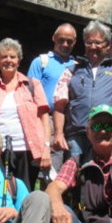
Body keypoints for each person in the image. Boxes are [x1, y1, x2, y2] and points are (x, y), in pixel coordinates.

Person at [0, 38, 50, 191]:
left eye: (12, 56)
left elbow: (44, 118)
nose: (8, 60)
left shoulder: (33, 85)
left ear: (19, 60)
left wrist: (46, 148)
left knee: (24, 192)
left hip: (26, 151)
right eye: (3, 57)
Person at [52, 21, 112, 160]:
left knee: (106, 176)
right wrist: (59, 134)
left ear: (107, 46)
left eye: (98, 42)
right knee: (75, 177)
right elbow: (59, 105)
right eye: (89, 43)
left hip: (106, 133)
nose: (93, 47)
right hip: (77, 136)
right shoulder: (71, 71)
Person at [27, 23, 77, 175]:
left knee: (67, 170)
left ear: (75, 42)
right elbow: (29, 93)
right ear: (54, 38)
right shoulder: (41, 62)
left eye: (69, 41)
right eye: (61, 40)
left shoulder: (78, 65)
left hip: (70, 123)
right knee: (47, 170)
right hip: (46, 121)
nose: (65, 44)